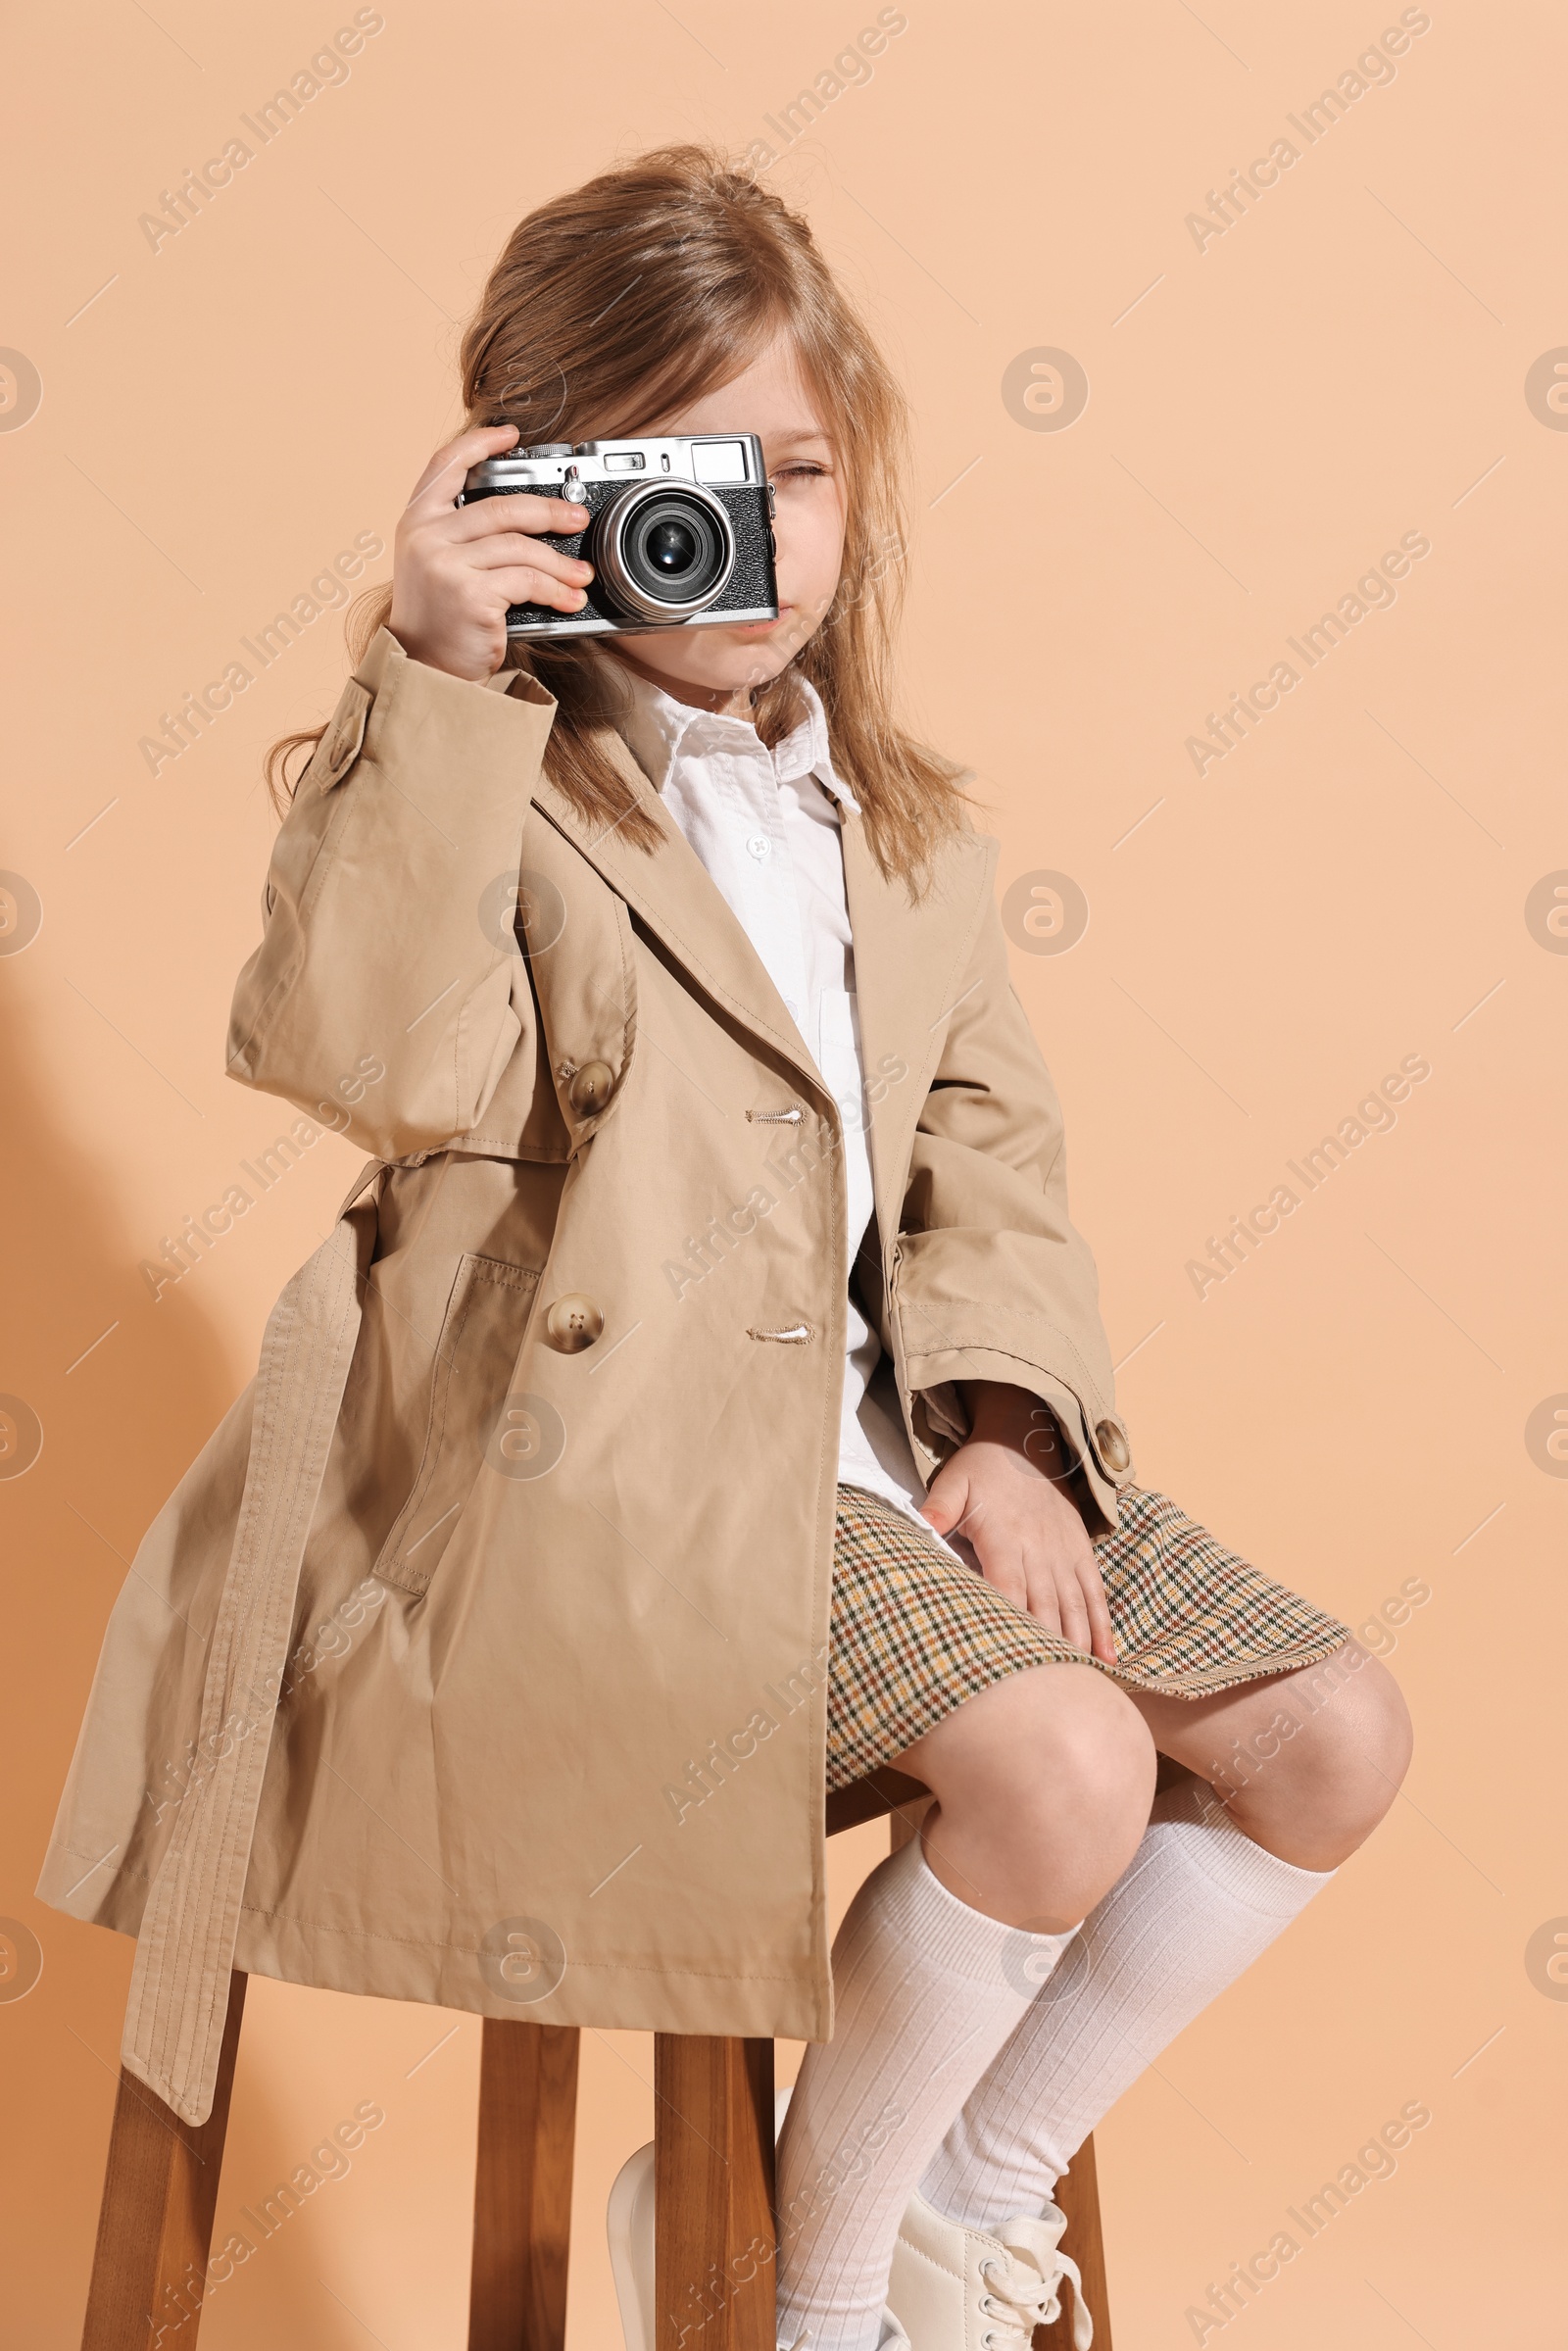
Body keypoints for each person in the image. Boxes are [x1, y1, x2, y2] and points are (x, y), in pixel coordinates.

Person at [38, 147, 1412, 2351]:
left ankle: (945, 2190)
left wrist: (1001, 1426)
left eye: (796, 469)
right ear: (546, 490)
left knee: (1330, 1731)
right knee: (1058, 1763)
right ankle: (824, 2306)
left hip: (879, 1446)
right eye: (687, 476)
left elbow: (994, 1159)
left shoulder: (904, 829)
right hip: (609, 1487)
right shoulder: (479, 781)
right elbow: (366, 1063)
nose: (753, 541)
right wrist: (435, 674)